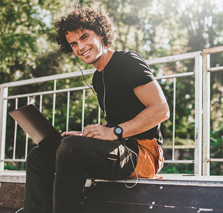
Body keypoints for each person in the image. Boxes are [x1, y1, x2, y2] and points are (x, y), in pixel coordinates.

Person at [17, 6, 170, 213]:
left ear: (100, 33)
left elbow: (161, 110)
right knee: (40, 155)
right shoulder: (98, 78)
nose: (80, 47)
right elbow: (119, 118)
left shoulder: (127, 61)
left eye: (85, 37)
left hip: (143, 152)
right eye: (74, 43)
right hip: (119, 147)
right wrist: (85, 136)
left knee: (71, 148)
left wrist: (114, 132)